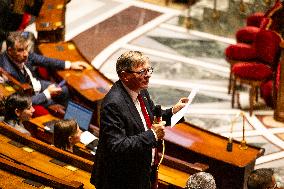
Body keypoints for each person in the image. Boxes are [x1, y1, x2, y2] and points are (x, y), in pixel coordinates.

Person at [90, 51, 189, 189]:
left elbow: (151, 117)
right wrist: (153, 135)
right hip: (120, 180)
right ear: (125, 75)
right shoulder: (113, 104)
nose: (148, 75)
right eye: (142, 71)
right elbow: (117, 146)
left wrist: (173, 112)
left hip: (141, 172)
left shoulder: (141, 91)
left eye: (149, 70)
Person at [0, 31, 91, 107]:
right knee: (58, 107)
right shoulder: (8, 72)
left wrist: (70, 64)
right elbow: (20, 102)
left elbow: (44, 60)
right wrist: (47, 93)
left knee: (64, 90)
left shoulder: (22, 54)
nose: (26, 54)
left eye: (26, 48)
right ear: (10, 50)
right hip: (31, 96)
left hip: (35, 84)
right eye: (20, 50)